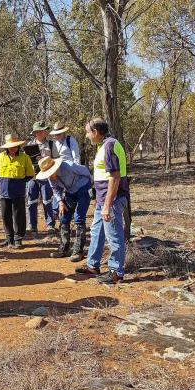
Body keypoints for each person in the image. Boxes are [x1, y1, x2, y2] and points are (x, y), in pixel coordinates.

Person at [75, 118, 129, 284]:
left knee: (113, 235)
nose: (87, 136)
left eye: (87, 132)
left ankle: (116, 272)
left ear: (96, 132)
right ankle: (92, 265)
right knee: (97, 231)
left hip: (111, 199)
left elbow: (114, 176)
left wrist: (107, 205)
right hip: (102, 199)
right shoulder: (103, 146)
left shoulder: (109, 145)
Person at [35, 156, 91, 259]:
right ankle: (64, 249)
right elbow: (55, 189)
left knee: (79, 217)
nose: (50, 176)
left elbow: (86, 171)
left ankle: (78, 251)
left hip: (83, 188)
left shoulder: (69, 166)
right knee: (64, 216)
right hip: (70, 192)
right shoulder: (50, 177)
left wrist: (91, 188)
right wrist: (60, 202)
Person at [0, 134, 34, 249]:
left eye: (16, 146)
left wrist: (19, 183)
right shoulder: (0, 157)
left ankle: (18, 239)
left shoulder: (24, 157)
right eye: (11, 146)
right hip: (4, 192)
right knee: (6, 215)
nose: (13, 148)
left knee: (19, 215)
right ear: (6, 147)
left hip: (18, 192)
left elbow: (29, 174)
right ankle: (9, 238)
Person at [25, 121, 55, 239]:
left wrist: (44, 159)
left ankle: (50, 225)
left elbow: (57, 160)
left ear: (45, 132)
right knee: (31, 201)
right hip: (32, 176)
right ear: (35, 133)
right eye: (37, 132)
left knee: (47, 200)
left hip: (46, 176)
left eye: (42, 131)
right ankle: (32, 226)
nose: (40, 133)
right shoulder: (29, 146)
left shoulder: (51, 144)